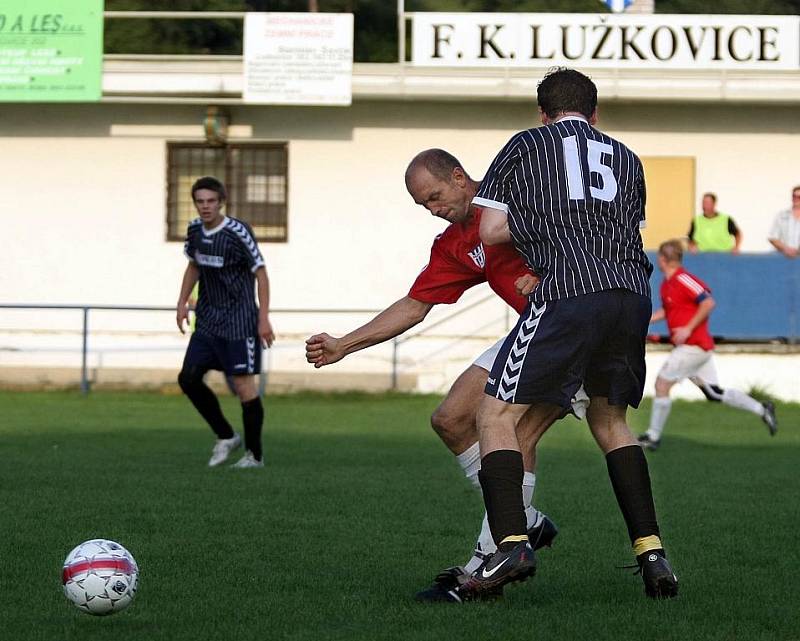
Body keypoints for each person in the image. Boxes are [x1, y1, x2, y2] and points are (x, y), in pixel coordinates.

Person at [305, 148, 588, 603]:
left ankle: (483, 571)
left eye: (436, 197)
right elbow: (415, 304)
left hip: (575, 329)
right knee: (451, 419)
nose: (434, 211)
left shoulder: (517, 199)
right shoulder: (455, 242)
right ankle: (524, 520)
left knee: (512, 432)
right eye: (424, 206)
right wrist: (344, 344)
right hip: (530, 331)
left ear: (459, 177)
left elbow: (586, 232)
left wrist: (550, 273)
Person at [458, 67, 678, 600]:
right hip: (629, 296)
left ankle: (511, 543)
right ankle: (653, 554)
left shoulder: (525, 145)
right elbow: (623, 226)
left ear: (542, 113)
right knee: (610, 420)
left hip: (570, 293)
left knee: (494, 413)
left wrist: (542, 224)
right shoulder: (626, 157)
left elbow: (490, 229)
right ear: (595, 113)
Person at [638, 240, 777, 450]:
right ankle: (762, 409)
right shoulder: (667, 284)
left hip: (693, 347)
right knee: (714, 393)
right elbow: (670, 311)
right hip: (694, 349)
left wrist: (687, 329)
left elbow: (708, 301)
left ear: (663, 259)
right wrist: (645, 320)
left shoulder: (683, 279)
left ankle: (653, 437)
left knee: (661, 384)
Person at [176, 176, 275, 469]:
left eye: (210, 201)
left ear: (221, 202)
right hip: (207, 320)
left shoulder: (237, 231)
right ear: (195, 203)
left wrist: (263, 318)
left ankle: (254, 456)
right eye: (200, 202)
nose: (205, 207)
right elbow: (193, 265)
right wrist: (181, 302)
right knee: (188, 378)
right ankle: (226, 435)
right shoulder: (194, 230)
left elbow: (261, 273)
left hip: (240, 321)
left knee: (245, 388)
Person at [767, 185, 800, 258]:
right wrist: (785, 249)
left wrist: (797, 251)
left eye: (799, 197)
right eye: (794, 196)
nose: (796, 199)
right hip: (783, 257)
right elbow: (772, 237)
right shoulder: (781, 216)